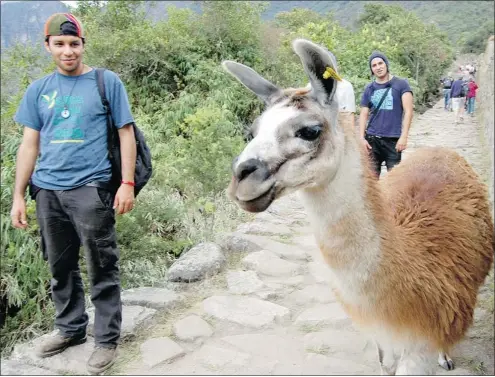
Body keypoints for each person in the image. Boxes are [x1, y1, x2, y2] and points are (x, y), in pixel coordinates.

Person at [9, 13, 137, 374]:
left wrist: (126, 183)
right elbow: (29, 145)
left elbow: (125, 133)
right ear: (48, 46)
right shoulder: (38, 90)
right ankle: (70, 329)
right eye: (60, 44)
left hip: (91, 188)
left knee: (101, 264)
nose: (68, 51)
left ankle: (106, 339)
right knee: (60, 265)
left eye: (74, 44)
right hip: (48, 190)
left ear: (82, 45)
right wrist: (19, 195)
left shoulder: (105, 82)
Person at [359, 51, 414, 178]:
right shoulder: (369, 88)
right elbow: (363, 113)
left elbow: (409, 111)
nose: (378, 67)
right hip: (372, 140)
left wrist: (404, 137)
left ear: (386, 64)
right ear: (372, 69)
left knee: (395, 181)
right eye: (374, 65)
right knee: (371, 181)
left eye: (380, 63)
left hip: (393, 140)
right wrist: (361, 138)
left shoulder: (401, 84)